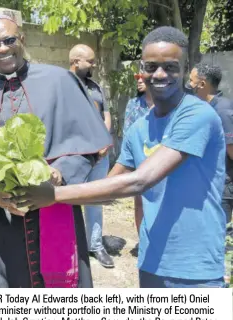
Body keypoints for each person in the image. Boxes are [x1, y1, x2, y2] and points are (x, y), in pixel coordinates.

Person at [20, 26, 228, 288]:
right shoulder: (140, 128)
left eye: (171, 67)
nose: (160, 74)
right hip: (151, 261)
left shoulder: (198, 115)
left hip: (195, 265)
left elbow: (140, 181)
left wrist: (52, 196)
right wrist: (57, 180)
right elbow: (108, 192)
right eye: (151, 66)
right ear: (141, 68)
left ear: (185, 68)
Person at [0, 14, 111, 288]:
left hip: (57, 205)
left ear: (22, 39)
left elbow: (87, 149)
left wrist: (59, 174)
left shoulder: (59, 81)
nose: (2, 48)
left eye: (9, 40)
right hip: (7, 224)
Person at [69, 44, 113, 268]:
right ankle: (72, 246)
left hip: (100, 155)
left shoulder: (96, 87)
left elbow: (106, 115)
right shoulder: (64, 86)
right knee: (70, 202)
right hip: (75, 157)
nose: (94, 65)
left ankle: (95, 245)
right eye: (91, 61)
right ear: (76, 61)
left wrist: (104, 140)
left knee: (95, 201)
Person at [187, 63, 233, 223]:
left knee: (221, 234)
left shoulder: (222, 109)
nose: (189, 84)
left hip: (222, 186)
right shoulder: (201, 107)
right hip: (204, 181)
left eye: (191, 80)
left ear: (202, 84)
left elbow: (231, 148)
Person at [123, 74, 154, 239]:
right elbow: (127, 133)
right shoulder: (133, 105)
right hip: (140, 160)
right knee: (140, 202)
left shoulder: (165, 104)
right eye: (137, 78)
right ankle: (143, 241)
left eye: (143, 78)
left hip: (163, 160)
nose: (139, 81)